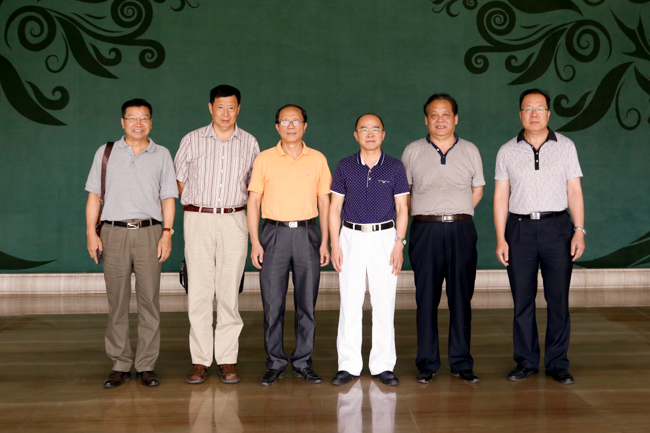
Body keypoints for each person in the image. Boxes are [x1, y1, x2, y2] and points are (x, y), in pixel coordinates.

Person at [494, 88, 585, 385]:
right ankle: (526, 361)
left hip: (558, 228)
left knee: (558, 299)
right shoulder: (507, 150)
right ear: (520, 114)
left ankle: (557, 363)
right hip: (519, 230)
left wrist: (579, 230)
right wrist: (501, 238)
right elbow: (500, 197)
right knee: (522, 300)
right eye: (528, 109)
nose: (534, 114)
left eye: (540, 108)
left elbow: (574, 191)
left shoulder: (566, 146)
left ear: (548, 113)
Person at [85, 98, 177, 388]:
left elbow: (168, 198)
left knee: (150, 301)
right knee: (117, 301)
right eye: (132, 117)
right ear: (122, 122)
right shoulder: (106, 152)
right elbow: (94, 197)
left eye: (144, 117)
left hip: (150, 233)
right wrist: (91, 233)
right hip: (113, 233)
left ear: (151, 122)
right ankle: (120, 364)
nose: (139, 123)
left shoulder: (162, 154)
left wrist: (167, 233)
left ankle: (146, 365)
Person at [174, 85, 260, 385]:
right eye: (220, 107)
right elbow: (179, 181)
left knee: (228, 291)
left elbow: (254, 187)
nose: (225, 113)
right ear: (210, 107)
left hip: (234, 219)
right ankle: (200, 360)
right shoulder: (192, 139)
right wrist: (199, 205)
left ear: (239, 109)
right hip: (198, 217)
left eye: (231, 107)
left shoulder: (249, 142)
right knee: (198, 291)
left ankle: (226, 359)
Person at [401, 93, 485, 384]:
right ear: (426, 120)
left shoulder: (470, 150)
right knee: (426, 298)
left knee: (461, 297)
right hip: (425, 230)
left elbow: (477, 190)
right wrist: (427, 213)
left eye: (446, 114)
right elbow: (404, 194)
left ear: (455, 118)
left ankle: (461, 362)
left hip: (462, 229)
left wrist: (457, 211)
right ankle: (427, 362)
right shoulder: (412, 150)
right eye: (434, 115)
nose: (440, 120)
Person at [247, 104, 332, 386]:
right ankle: (275, 362)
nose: (291, 126)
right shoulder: (264, 159)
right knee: (273, 303)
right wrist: (255, 242)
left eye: (296, 121)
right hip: (274, 234)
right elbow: (253, 202)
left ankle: (303, 361)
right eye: (285, 121)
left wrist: (325, 242)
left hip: (308, 233)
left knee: (307, 303)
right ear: (277, 127)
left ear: (305, 126)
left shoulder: (317, 159)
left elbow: (324, 202)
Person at [329, 114, 409, 386]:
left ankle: (383, 365)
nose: (370, 133)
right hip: (350, 236)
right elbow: (334, 207)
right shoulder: (345, 166)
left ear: (383, 134)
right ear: (356, 135)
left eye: (375, 129)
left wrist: (399, 243)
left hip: (385, 237)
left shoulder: (395, 167)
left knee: (384, 302)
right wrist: (335, 244)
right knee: (350, 302)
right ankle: (348, 364)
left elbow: (402, 208)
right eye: (364, 129)